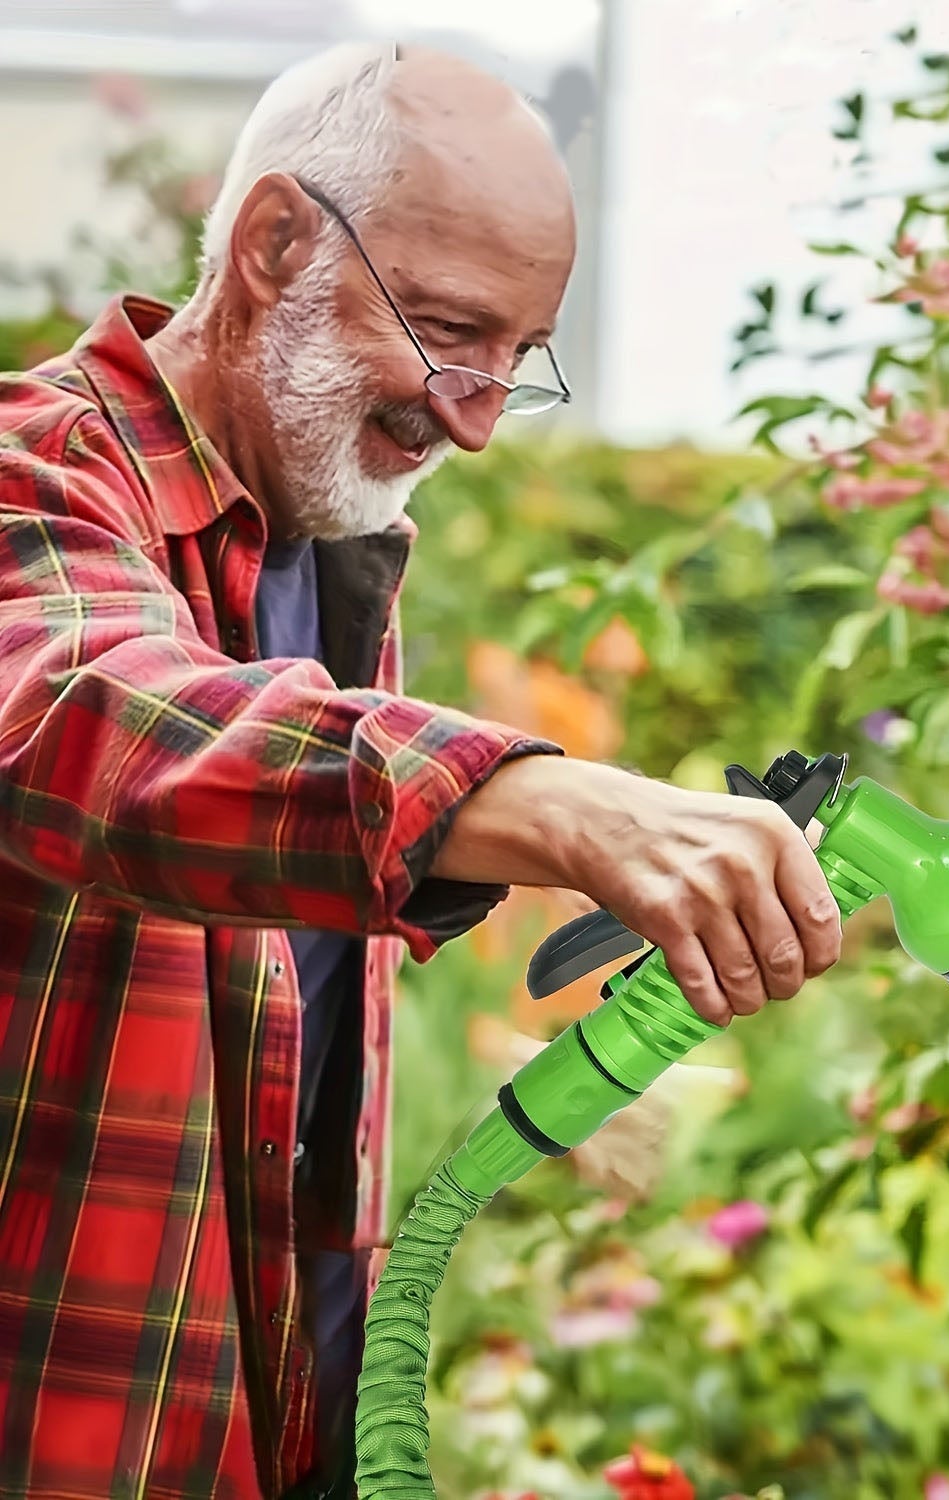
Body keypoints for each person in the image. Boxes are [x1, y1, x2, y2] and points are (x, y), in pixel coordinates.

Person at [0, 41, 840, 1500]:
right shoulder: (34, 477)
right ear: (273, 244)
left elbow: (274, 1007)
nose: (478, 417)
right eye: (453, 335)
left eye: (520, 360)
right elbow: (96, 723)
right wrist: (557, 802)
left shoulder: (323, 561)